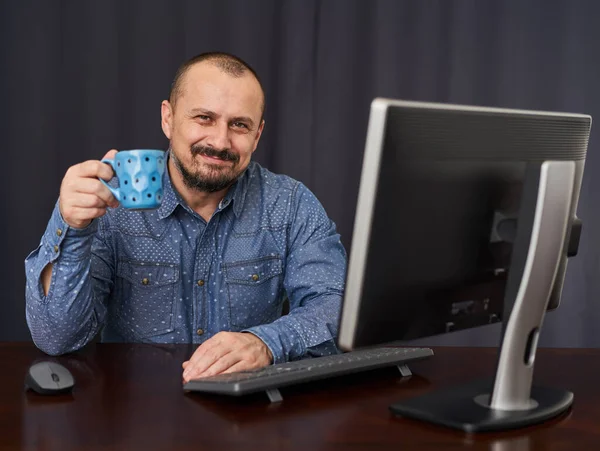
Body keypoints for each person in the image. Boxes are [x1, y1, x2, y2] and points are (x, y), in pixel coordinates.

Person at [24, 52, 347, 383]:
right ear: (168, 118)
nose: (220, 141)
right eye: (204, 118)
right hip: (136, 416)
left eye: (239, 125)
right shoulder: (109, 203)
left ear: (257, 135)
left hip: (249, 418)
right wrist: (72, 226)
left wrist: (266, 343)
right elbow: (56, 339)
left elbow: (336, 307)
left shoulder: (290, 204)